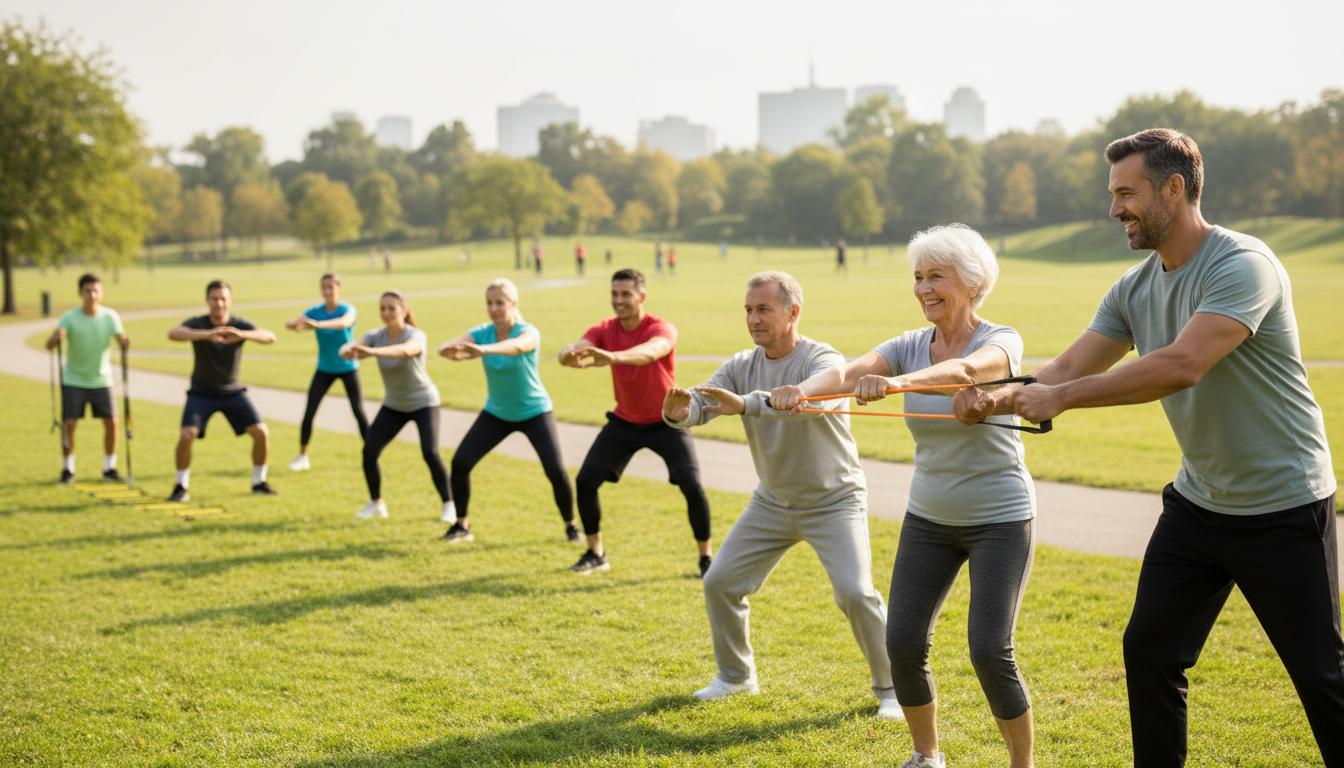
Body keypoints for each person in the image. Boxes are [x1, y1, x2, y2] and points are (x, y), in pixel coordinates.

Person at [956, 129, 1342, 767]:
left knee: (1320, 676)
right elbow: (1071, 363)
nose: (1115, 211)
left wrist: (1064, 399)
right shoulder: (1133, 288)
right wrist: (992, 398)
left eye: (1126, 194)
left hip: (1282, 506)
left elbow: (1182, 364)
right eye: (1112, 196)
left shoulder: (1243, 264)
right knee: (1151, 652)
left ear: (1174, 188)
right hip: (1198, 506)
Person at [779, 225, 1037, 768]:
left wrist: (898, 384)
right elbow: (850, 371)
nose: (923, 288)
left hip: (999, 518)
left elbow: (966, 371)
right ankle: (927, 756)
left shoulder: (1002, 339)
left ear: (970, 282)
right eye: (918, 277)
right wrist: (803, 389)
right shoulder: (907, 345)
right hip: (930, 517)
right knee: (902, 641)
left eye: (935, 276)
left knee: (990, 650)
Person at [663, 270, 901, 721]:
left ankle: (891, 689)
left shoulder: (823, 360)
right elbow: (705, 401)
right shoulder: (740, 364)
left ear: (793, 312)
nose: (754, 319)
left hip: (835, 501)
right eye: (749, 310)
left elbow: (799, 406)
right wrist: (681, 412)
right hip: (772, 502)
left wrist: (745, 404)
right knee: (720, 582)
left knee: (855, 592)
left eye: (763, 309)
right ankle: (736, 677)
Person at [558, 268, 713, 575]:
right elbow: (578, 344)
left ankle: (706, 558)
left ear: (641, 296)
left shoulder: (661, 327)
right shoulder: (605, 328)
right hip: (625, 422)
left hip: (667, 421)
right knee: (586, 480)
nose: (619, 301)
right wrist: (567, 354)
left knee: (692, 485)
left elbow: (651, 351)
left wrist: (614, 357)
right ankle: (595, 552)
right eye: (615, 294)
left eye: (626, 294)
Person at [438, 278, 577, 543]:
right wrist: (452, 350)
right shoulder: (482, 332)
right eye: (489, 303)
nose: (494, 308)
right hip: (497, 413)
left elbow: (517, 347)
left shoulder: (528, 331)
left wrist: (481, 350)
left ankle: (571, 526)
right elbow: (448, 346)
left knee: (555, 470)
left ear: (514, 304)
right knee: (461, 463)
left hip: (534, 411)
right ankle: (461, 525)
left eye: (500, 303)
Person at [342, 291, 453, 521]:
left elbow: (406, 350)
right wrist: (349, 351)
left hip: (424, 402)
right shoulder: (376, 335)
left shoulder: (416, 335)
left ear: (404, 310)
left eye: (392, 308)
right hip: (394, 405)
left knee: (430, 453)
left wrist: (372, 352)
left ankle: (449, 505)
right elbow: (349, 350)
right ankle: (376, 504)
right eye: (382, 308)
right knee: (369, 451)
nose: (386, 313)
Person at [167, 280, 277, 501]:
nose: (219, 303)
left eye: (223, 299)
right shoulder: (199, 323)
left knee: (261, 432)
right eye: (214, 299)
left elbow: (270, 336)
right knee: (187, 435)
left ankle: (259, 482)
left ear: (230, 301)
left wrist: (243, 335)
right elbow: (174, 333)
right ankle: (181, 486)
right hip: (201, 392)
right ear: (207, 301)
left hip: (232, 392)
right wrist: (206, 335)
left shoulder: (238, 325)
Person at [45, 273, 130, 483]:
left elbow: (122, 338)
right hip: (74, 379)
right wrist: (55, 339)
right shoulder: (69, 317)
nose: (92, 295)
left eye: (95, 291)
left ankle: (109, 467)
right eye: (87, 291)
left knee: (112, 422)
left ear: (101, 293)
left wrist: (124, 342)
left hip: (102, 379)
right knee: (70, 424)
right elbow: (49, 344)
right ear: (80, 293)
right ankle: (68, 469)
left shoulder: (110, 316)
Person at [285, 273, 369, 472]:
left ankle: (370, 452)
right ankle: (302, 456)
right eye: (324, 287)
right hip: (324, 368)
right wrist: (296, 325)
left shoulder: (347, 309)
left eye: (331, 287)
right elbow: (291, 323)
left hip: (348, 367)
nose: (328, 291)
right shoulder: (315, 311)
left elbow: (344, 322)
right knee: (309, 412)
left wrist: (318, 325)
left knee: (358, 411)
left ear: (339, 288)